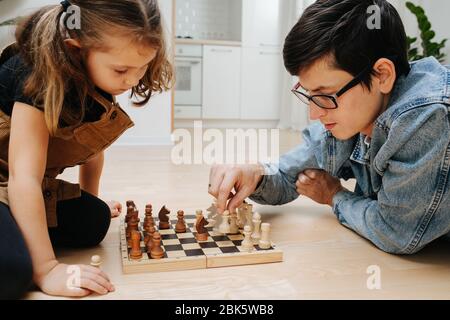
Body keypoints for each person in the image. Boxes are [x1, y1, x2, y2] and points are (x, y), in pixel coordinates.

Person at [209, 0, 450, 256]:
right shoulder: (353, 110)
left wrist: (334, 195)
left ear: (382, 75)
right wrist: (255, 174)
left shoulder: (426, 117)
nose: (315, 113)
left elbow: (396, 232)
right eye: (310, 94)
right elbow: (289, 176)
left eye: (325, 95)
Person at [0, 0, 172, 299]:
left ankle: (18, 231)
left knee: (95, 221)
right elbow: (22, 176)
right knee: (11, 274)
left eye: (143, 67)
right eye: (122, 70)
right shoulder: (34, 74)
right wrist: (47, 269)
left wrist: (88, 199)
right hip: (15, 179)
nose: (132, 80)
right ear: (76, 49)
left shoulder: (92, 73)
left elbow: (90, 145)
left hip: (24, 185)